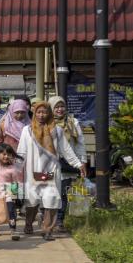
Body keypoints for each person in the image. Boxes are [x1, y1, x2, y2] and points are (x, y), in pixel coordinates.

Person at [17, 102, 85, 241]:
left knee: (51, 200)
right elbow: (21, 152)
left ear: (49, 113)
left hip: (51, 171)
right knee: (32, 201)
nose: (42, 115)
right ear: (34, 114)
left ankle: (47, 230)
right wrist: (15, 169)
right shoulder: (27, 130)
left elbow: (66, 151)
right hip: (32, 172)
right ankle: (29, 224)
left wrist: (78, 164)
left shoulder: (57, 131)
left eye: (45, 112)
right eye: (39, 112)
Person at [48, 96, 87, 232]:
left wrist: (82, 161)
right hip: (49, 163)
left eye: (62, 106)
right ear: (51, 108)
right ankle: (47, 218)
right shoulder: (46, 122)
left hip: (67, 163)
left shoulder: (73, 122)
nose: (60, 109)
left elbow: (80, 143)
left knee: (63, 193)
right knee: (49, 193)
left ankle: (59, 221)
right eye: (56, 107)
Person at [0, 143, 23, 241]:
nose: (6, 156)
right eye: (3, 154)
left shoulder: (13, 168)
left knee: (11, 211)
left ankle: (13, 229)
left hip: (8, 193)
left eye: (8, 154)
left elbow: (16, 183)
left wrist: (15, 196)